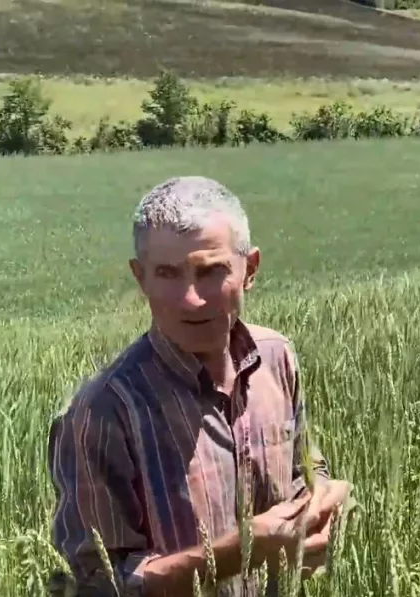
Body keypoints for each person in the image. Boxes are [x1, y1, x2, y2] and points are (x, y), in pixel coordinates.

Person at [47, 176, 351, 597]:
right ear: (140, 278)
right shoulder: (101, 412)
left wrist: (325, 505)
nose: (191, 298)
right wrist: (236, 551)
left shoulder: (276, 358)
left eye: (211, 271)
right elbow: (94, 584)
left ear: (251, 270)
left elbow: (307, 470)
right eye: (168, 274)